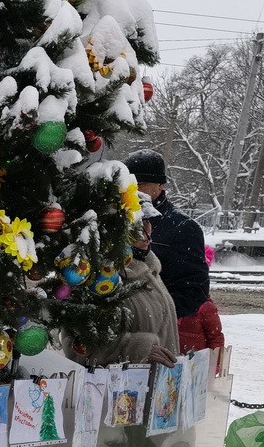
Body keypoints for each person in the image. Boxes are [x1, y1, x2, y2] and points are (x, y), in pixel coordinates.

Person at [64, 193, 177, 367]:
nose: (145, 231)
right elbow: (78, 348)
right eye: (136, 224)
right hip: (123, 384)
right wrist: (138, 350)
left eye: (147, 221)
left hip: (159, 382)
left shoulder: (149, 270)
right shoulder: (97, 279)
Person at [122, 149, 212, 342]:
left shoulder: (182, 227)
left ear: (160, 185)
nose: (133, 190)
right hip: (114, 328)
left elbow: (194, 290)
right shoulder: (116, 217)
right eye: (129, 184)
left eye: (140, 184)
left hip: (155, 334)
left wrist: (155, 313)